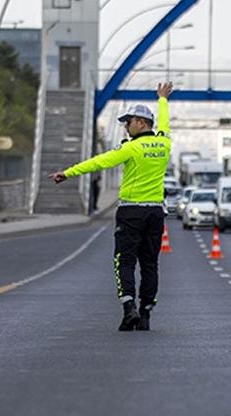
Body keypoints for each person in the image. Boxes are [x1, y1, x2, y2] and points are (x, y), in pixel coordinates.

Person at [50, 82, 174, 331]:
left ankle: (129, 308)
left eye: (128, 122)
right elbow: (165, 124)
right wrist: (162, 99)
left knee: (124, 261)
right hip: (155, 213)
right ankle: (146, 313)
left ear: (140, 122)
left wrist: (68, 173)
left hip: (131, 212)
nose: (126, 128)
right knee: (150, 264)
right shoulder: (164, 144)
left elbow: (99, 162)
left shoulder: (131, 148)